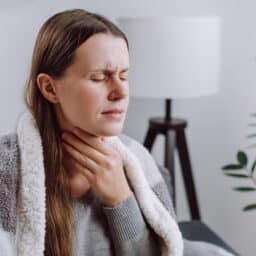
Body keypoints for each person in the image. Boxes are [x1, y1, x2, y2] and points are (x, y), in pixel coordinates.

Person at [0, 9, 235, 256]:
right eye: (100, 77)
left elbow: (165, 251)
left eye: (124, 75)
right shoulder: (6, 170)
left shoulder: (141, 164)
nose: (120, 92)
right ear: (50, 88)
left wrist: (121, 199)